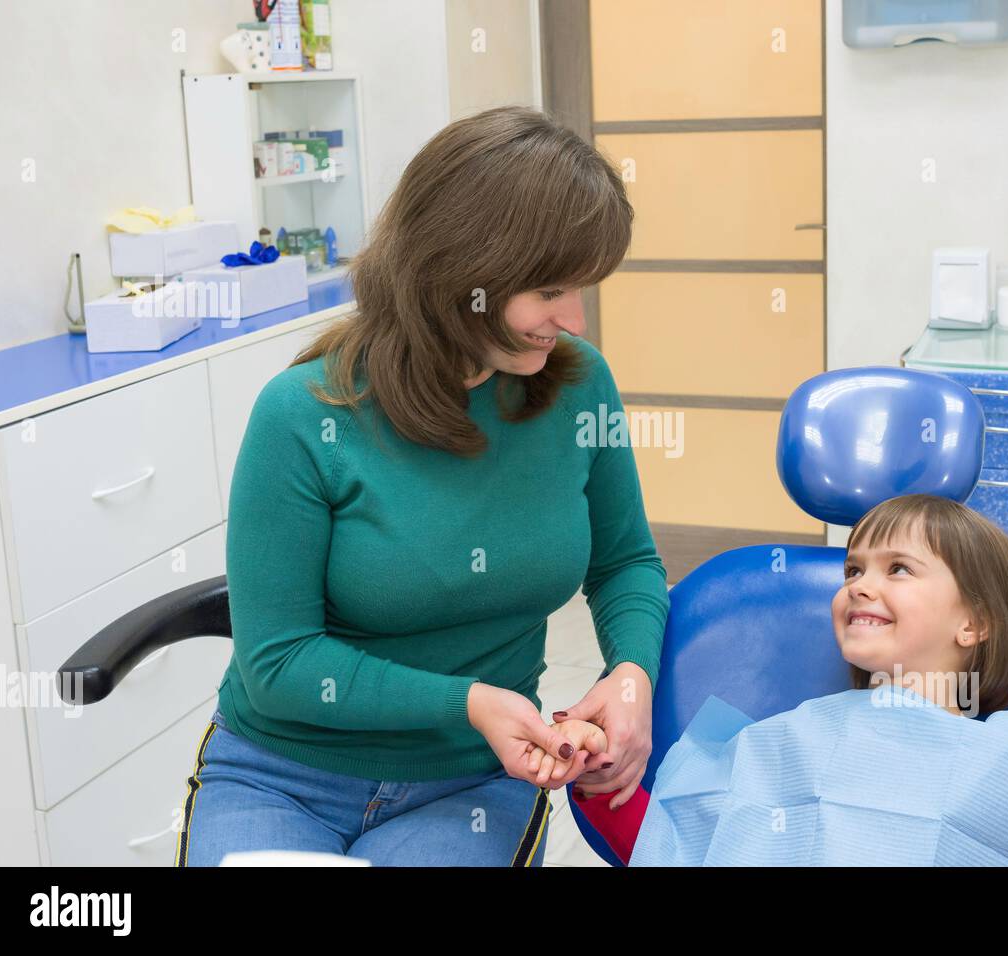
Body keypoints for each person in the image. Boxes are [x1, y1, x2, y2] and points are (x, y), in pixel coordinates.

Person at [175, 106, 668, 867]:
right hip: (282, 776)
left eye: (580, 288)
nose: (572, 319)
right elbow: (277, 663)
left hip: (471, 781)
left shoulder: (578, 388)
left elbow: (625, 562)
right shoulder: (303, 415)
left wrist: (630, 676)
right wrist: (465, 703)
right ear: (463, 275)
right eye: (549, 290)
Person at [562, 494, 1008, 866]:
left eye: (898, 569)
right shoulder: (781, 746)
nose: (860, 587)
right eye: (853, 571)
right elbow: (673, 848)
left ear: (974, 622)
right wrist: (600, 771)